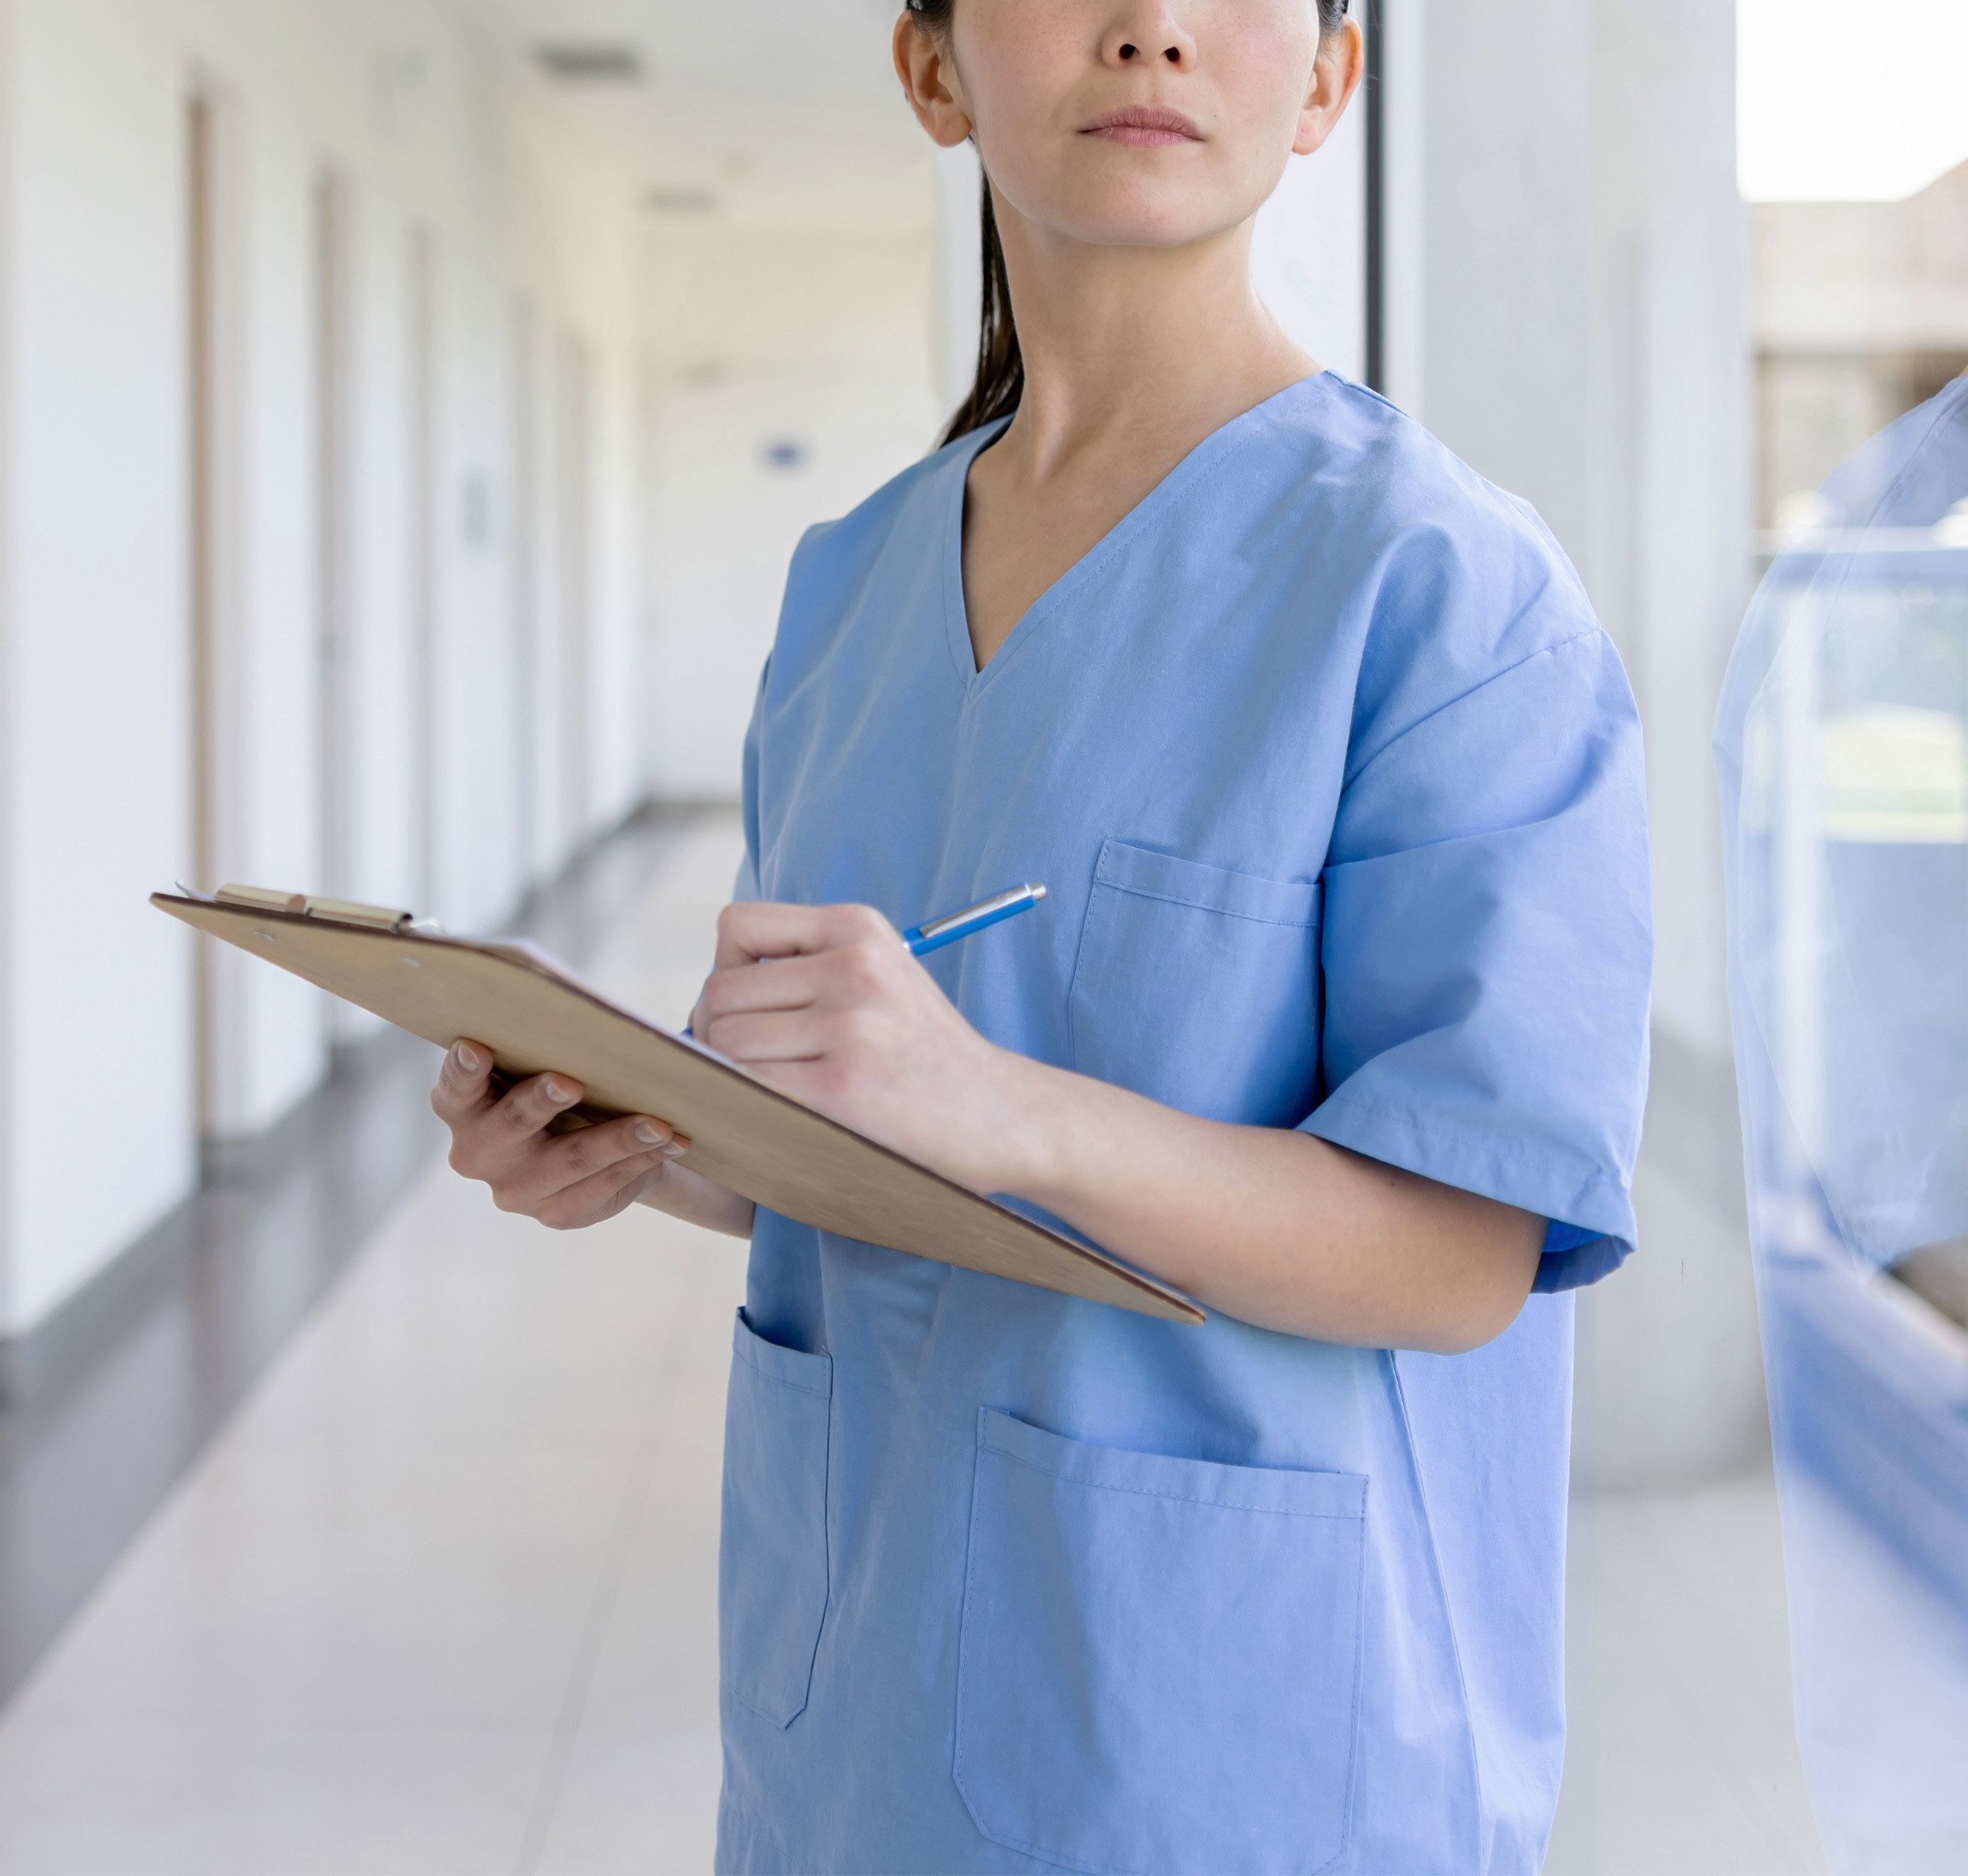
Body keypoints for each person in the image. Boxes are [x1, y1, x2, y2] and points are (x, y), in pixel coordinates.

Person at [431, 0, 1650, 1868]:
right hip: (858, 1713)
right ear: (933, 72)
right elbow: (891, 1163)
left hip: (1235, 1738)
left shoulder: (1449, 594)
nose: (1153, 27)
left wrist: (998, 1102)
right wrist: (648, 1141)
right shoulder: (849, 588)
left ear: (1327, 81)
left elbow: (1465, 1247)